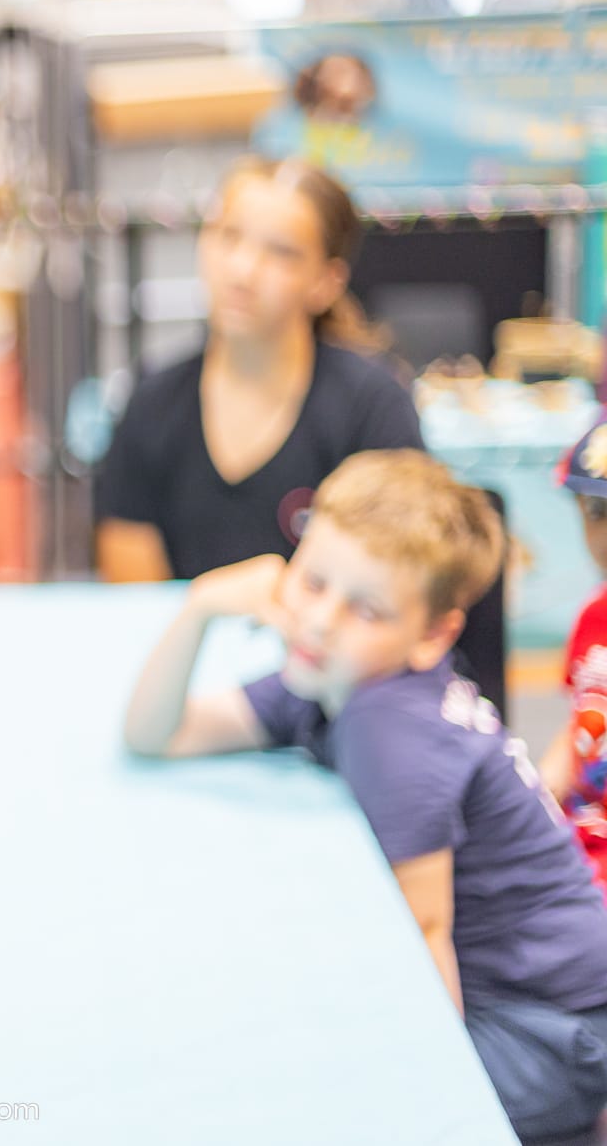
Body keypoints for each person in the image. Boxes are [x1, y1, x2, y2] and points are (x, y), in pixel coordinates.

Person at [125, 451, 607, 1145]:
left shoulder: (393, 726)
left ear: (433, 635)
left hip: (547, 1035)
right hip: (539, 1008)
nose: (320, 621)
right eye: (314, 580)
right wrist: (200, 607)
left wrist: (433, 1111)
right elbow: (156, 732)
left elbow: (426, 934)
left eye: (367, 608)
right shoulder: (334, 672)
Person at [96, 157, 422, 583]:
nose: (243, 271)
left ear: (326, 282)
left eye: (281, 252)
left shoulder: (372, 407)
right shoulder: (151, 403)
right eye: (228, 236)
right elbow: (136, 599)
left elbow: (394, 582)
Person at [536, 411, 607, 890]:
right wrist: (535, 793)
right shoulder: (592, 617)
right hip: (573, 837)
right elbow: (579, 723)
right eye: (598, 513)